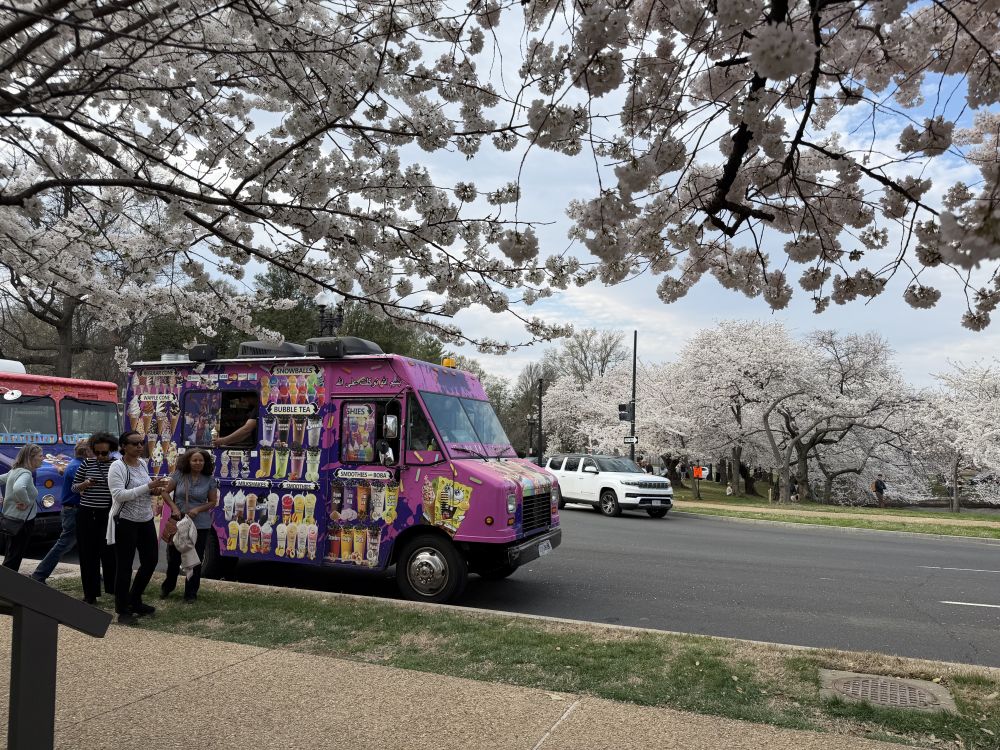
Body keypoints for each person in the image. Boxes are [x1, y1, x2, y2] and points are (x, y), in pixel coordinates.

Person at [108, 430, 164, 625]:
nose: (140, 446)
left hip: (145, 519)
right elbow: (118, 495)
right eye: (134, 443)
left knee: (151, 560)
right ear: (123, 446)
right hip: (125, 520)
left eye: (141, 442)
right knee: (124, 566)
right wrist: (148, 487)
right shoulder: (117, 466)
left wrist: (154, 490)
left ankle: (135, 599)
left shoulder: (142, 463)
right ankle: (122, 610)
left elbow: (144, 489)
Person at [159, 448, 219, 602]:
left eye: (201, 460)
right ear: (188, 461)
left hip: (200, 525)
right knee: (174, 558)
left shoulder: (209, 480)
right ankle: (167, 587)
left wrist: (198, 509)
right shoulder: (179, 475)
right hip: (179, 521)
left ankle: (191, 593)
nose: (198, 463)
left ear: (205, 462)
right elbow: (165, 492)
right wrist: (174, 508)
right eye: (194, 460)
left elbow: (213, 502)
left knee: (195, 559)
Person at [31, 440, 92, 584]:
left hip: (73, 509)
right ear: (86, 452)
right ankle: (39, 575)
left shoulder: (76, 464)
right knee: (64, 544)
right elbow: (84, 489)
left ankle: (92, 573)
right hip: (74, 510)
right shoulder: (78, 467)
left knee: (86, 543)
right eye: (93, 450)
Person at [73, 432, 119, 604]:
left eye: (104, 453)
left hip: (108, 514)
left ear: (111, 450)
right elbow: (74, 487)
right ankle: (90, 594)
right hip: (86, 513)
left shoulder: (117, 465)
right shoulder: (87, 463)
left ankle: (113, 589)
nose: (100, 456)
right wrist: (85, 484)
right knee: (87, 554)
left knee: (110, 553)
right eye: (97, 452)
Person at [1, 443, 44, 571]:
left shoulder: (14, 471)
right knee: (14, 557)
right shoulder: (26, 473)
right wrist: (25, 501)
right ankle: (7, 581)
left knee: (11, 554)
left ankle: (6, 579)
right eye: (40, 456)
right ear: (31, 458)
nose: (42, 458)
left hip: (10, 519)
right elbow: (19, 488)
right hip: (22, 522)